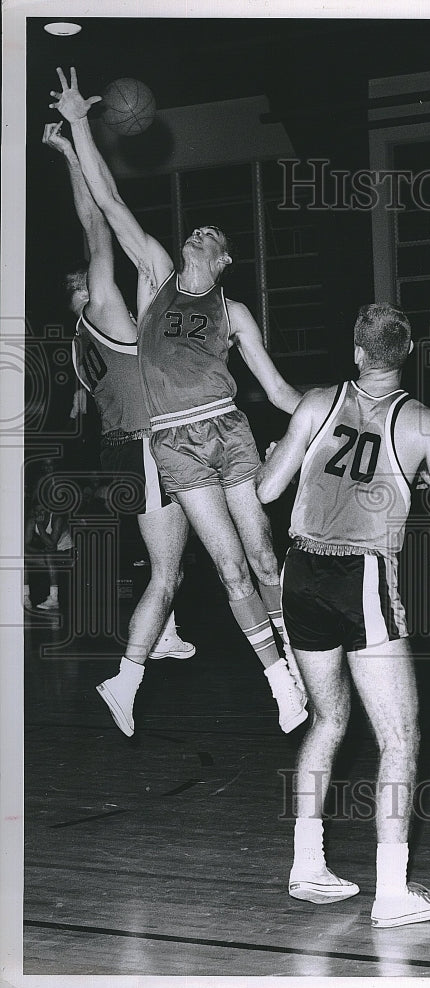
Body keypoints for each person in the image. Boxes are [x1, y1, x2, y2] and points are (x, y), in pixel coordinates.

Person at [51, 68, 307, 735]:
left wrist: (330, 412)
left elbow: (279, 391)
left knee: (261, 556)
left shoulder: (235, 309)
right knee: (224, 566)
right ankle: (280, 682)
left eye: (213, 235)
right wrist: (80, 124)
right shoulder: (156, 278)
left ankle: (297, 665)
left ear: (223, 262)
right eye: (197, 229)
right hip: (169, 441)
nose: (201, 232)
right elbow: (106, 209)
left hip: (227, 429)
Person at [256, 303, 430, 928]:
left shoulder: (316, 402)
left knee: (327, 718)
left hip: (299, 574)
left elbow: (269, 490)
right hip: (362, 577)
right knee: (401, 737)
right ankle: (393, 892)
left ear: (356, 351)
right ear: (406, 356)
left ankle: (306, 865)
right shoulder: (424, 422)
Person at [43, 121, 196, 736]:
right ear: (81, 292)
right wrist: (72, 152)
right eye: (85, 278)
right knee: (168, 569)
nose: (93, 274)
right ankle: (132, 667)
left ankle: (169, 632)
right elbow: (97, 224)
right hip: (143, 449)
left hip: (122, 453)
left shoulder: (83, 344)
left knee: (175, 561)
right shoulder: (103, 305)